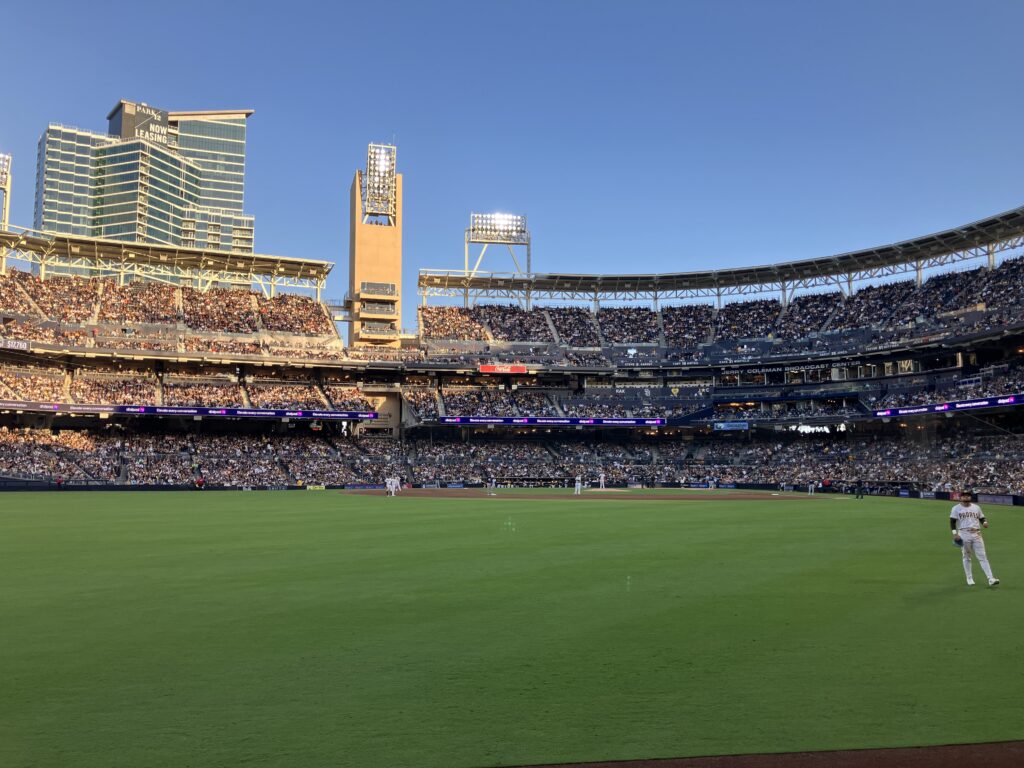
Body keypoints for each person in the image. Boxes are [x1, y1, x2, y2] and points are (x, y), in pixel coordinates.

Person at [950, 491, 999, 587]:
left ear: (970, 497)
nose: (966, 497)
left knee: (983, 556)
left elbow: (982, 518)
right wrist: (955, 534)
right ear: (961, 498)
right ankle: (969, 577)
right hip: (963, 534)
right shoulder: (956, 508)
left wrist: (984, 522)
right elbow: (952, 522)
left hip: (977, 534)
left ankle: (990, 578)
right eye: (964, 496)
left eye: (968, 496)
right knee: (967, 556)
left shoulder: (976, 507)